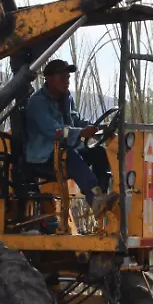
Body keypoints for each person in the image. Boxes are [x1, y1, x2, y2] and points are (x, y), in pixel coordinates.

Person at [25, 59, 118, 214]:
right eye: (62, 77)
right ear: (48, 78)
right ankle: (94, 199)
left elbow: (76, 120)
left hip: (62, 151)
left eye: (68, 77)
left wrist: (98, 127)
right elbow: (54, 131)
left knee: (98, 152)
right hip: (42, 157)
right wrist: (81, 133)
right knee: (70, 156)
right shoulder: (37, 103)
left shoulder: (66, 99)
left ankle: (101, 195)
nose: (67, 81)